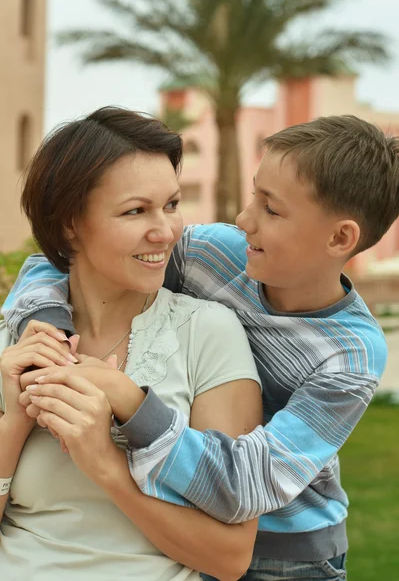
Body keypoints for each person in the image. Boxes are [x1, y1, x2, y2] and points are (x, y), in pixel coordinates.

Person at [3, 115, 398, 581]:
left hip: (292, 547)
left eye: (271, 209)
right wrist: (46, 332)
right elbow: (62, 261)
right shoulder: (220, 253)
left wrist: (127, 403)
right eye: (255, 195)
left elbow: (248, 481)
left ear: (340, 238)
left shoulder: (350, 354)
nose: (243, 218)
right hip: (192, 517)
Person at [0, 107, 264, 581]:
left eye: (171, 204)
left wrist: (105, 463)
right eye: (135, 210)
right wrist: (15, 420)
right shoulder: (12, 340)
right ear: (68, 224)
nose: (164, 232)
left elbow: (230, 556)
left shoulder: (208, 333)